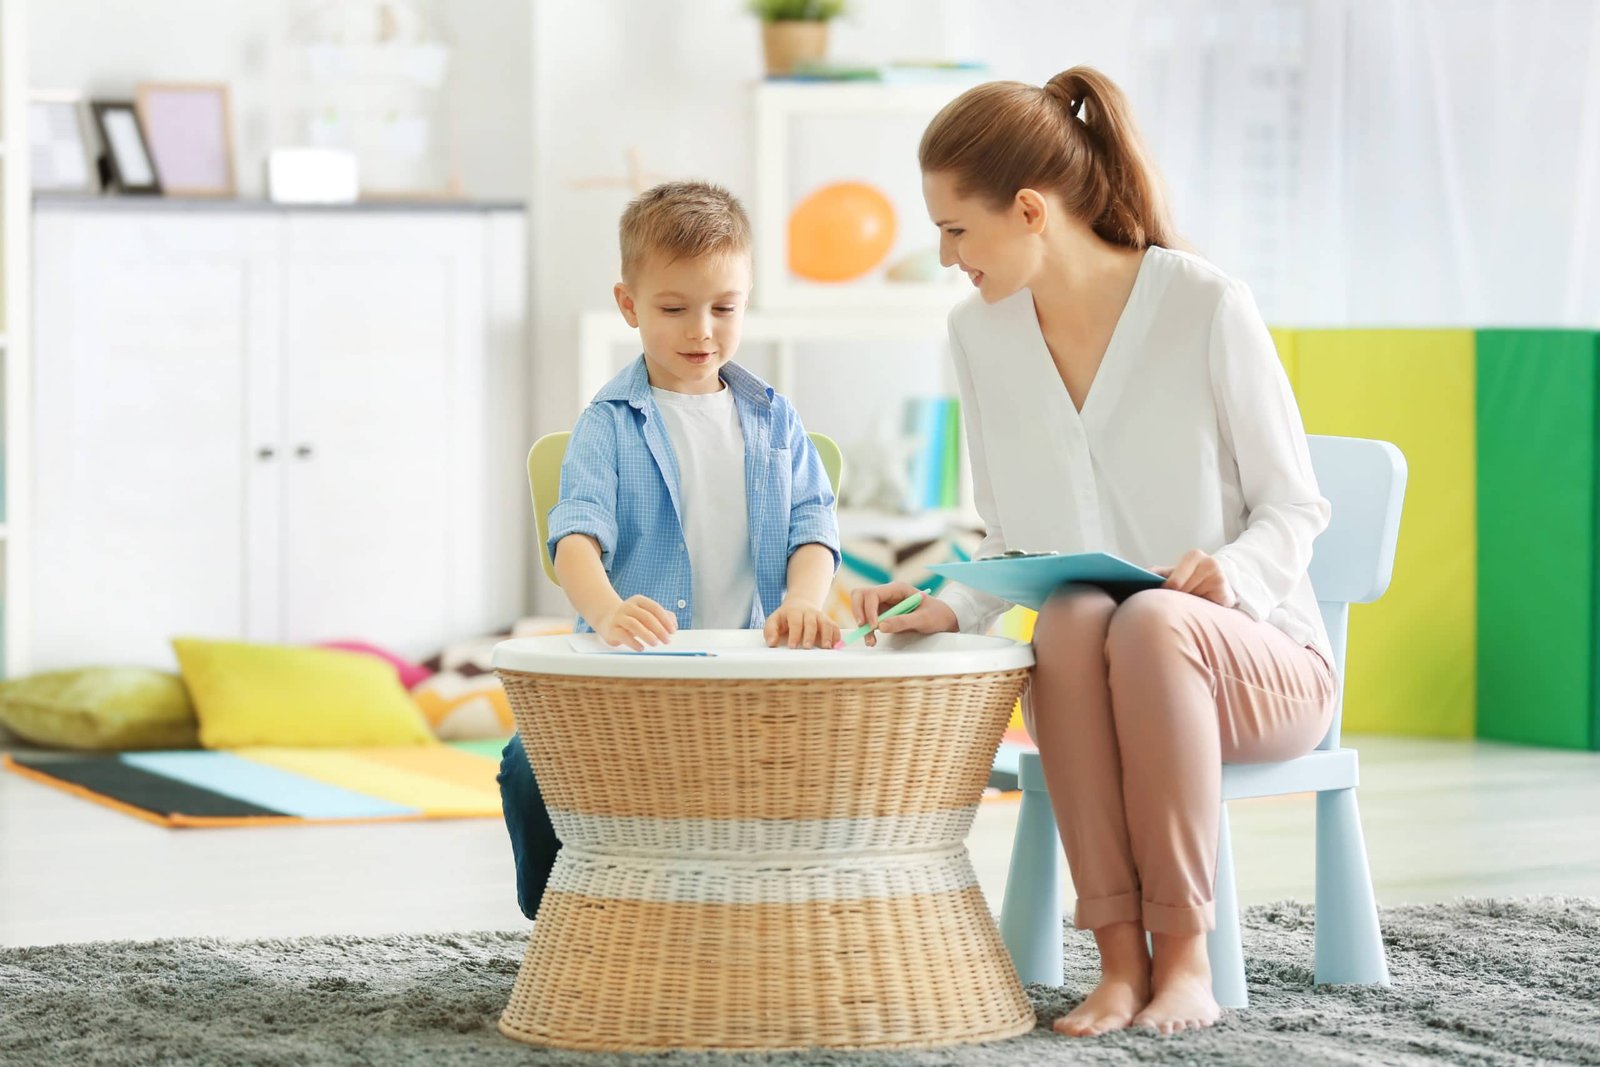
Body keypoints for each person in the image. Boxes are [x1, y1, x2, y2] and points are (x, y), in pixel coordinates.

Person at [851, 67, 1337, 1037]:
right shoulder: (977, 334)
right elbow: (1007, 537)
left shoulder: (1203, 304)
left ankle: (1185, 958)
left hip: (1259, 668)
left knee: (1152, 618)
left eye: (955, 229)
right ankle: (1118, 964)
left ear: (1029, 209)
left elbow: (1294, 503)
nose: (946, 256)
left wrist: (1228, 573)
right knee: (1074, 615)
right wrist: (947, 600)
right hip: (1110, 671)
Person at [498, 180, 841, 921]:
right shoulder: (610, 423)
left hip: (753, 680)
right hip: (631, 684)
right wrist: (609, 610)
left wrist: (805, 604)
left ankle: (780, 913)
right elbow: (575, 539)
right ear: (630, 306)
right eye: (674, 308)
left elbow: (815, 525)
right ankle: (566, 919)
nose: (703, 331)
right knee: (528, 767)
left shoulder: (776, 419)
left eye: (725, 307)